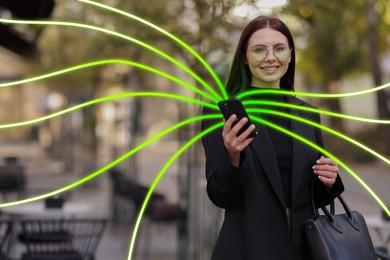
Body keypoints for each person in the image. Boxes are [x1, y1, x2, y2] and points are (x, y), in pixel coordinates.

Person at [201, 15, 344, 260]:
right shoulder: (222, 113)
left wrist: (328, 181)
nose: (270, 57)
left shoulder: (307, 114)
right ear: (245, 57)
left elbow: (310, 198)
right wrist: (232, 156)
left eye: (279, 49)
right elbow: (221, 195)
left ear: (290, 54)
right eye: (259, 50)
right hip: (248, 249)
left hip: (303, 250)